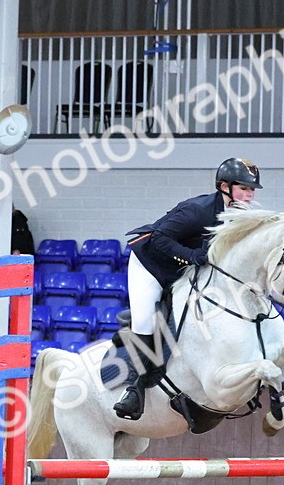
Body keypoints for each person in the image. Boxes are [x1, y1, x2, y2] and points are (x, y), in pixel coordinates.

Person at [112, 157, 263, 420]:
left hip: (185, 267)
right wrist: (192, 256)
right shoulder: (197, 210)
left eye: (251, 190)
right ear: (224, 187)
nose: (249, 195)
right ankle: (133, 391)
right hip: (151, 264)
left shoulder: (243, 216)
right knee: (147, 320)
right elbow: (160, 238)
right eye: (244, 189)